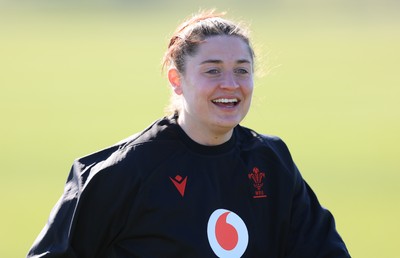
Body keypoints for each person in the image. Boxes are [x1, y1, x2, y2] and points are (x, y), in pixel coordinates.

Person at [27, 10, 351, 258]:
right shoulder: (123, 172)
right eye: (212, 70)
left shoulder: (272, 161)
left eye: (242, 70)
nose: (230, 83)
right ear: (176, 79)